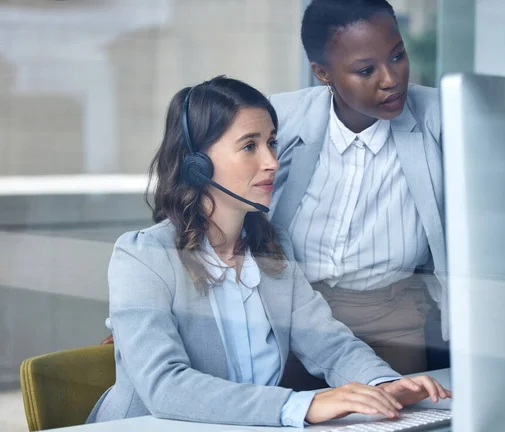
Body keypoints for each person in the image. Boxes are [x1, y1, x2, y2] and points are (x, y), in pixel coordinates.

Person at [87, 76, 450, 427]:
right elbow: (165, 386)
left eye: (272, 142)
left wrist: (382, 384)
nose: (271, 161)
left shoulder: (271, 248)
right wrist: (302, 405)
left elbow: (329, 344)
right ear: (196, 163)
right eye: (250, 146)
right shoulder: (143, 256)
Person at [269, 0, 449, 388]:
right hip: (298, 313)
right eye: (366, 70)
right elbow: (206, 208)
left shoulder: (443, 115)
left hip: (394, 315)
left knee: (404, 417)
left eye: (397, 56)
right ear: (323, 74)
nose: (390, 79)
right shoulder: (279, 119)